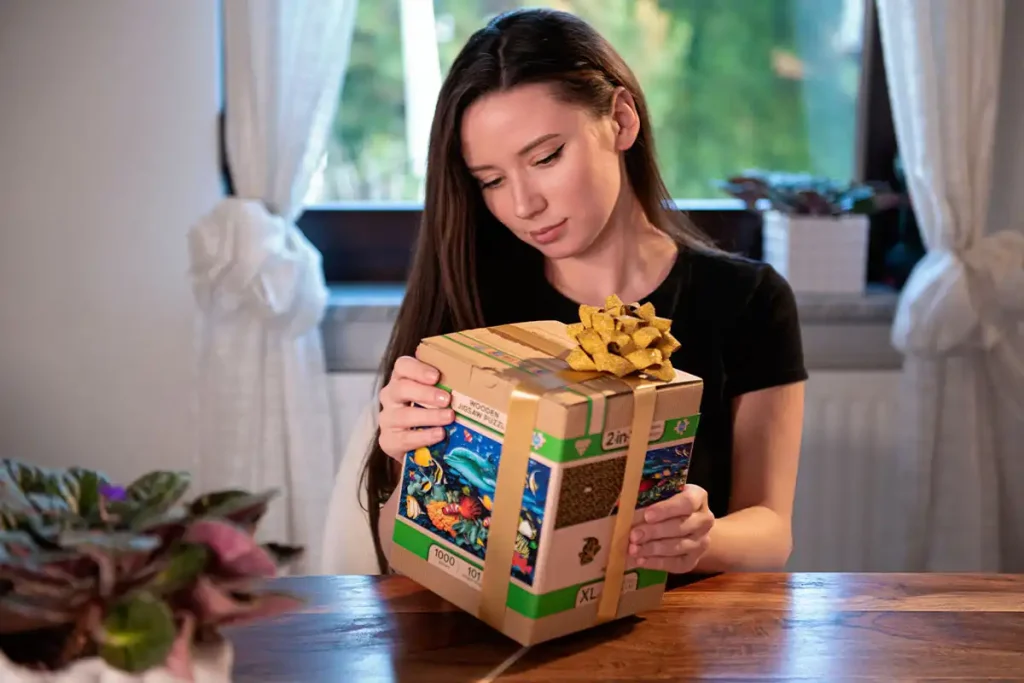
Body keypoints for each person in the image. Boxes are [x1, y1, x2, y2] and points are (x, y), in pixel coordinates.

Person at [360, 8, 807, 581]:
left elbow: (771, 530)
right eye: (491, 181)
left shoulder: (748, 299)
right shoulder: (471, 306)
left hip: (681, 637)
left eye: (546, 157)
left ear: (621, 120)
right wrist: (406, 463)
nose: (522, 206)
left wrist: (703, 537)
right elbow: (401, 559)